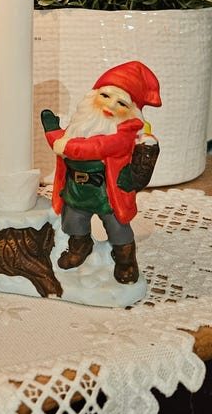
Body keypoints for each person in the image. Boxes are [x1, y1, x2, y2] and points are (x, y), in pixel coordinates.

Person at [41, 61, 161, 284]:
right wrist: (53, 131)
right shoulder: (81, 125)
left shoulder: (123, 133)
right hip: (77, 189)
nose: (111, 105)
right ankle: (80, 246)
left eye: (121, 103)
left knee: (117, 228)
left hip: (108, 192)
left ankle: (125, 260)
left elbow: (96, 148)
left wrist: (62, 143)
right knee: (73, 222)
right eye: (105, 96)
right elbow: (64, 140)